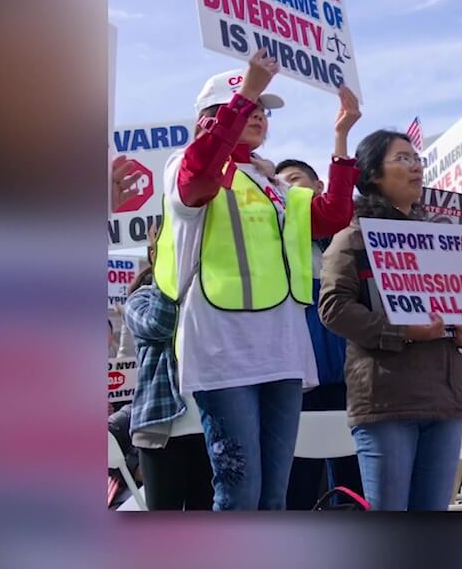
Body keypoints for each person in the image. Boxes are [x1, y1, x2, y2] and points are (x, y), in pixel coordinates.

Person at [153, 48, 362, 510]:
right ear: (214, 114)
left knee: (275, 494)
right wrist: (248, 89)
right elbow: (201, 174)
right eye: (252, 106)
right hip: (224, 348)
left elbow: (333, 215)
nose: (260, 115)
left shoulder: (274, 184)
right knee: (239, 488)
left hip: (282, 348)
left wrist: (341, 137)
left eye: (265, 110)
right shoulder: (185, 164)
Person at [318, 129, 462, 511]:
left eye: (417, 159)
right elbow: (334, 309)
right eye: (403, 159)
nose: (416, 167)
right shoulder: (352, 239)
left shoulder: (443, 238)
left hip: (444, 399)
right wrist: (401, 332)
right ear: (373, 173)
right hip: (385, 401)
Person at [275, 158, 365, 509]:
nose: (287, 188)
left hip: (351, 382)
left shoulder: (350, 243)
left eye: (295, 180)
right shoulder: (274, 248)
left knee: (351, 485)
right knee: (297, 485)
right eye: (279, 184)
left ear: (320, 189)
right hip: (296, 385)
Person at [125, 226, 214, 510]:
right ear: (154, 254)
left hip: (208, 426)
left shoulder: (211, 296)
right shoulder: (140, 299)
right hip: (159, 429)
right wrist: (168, 273)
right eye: (172, 247)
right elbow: (159, 325)